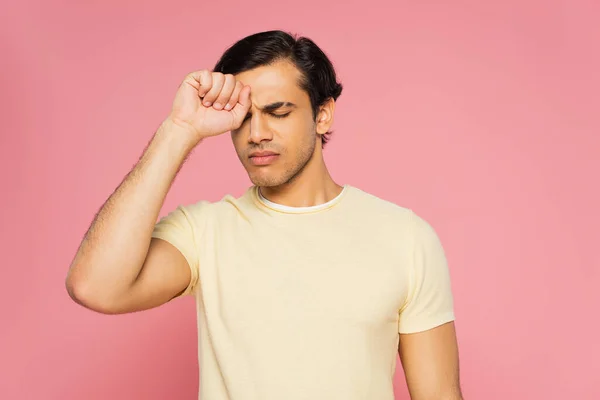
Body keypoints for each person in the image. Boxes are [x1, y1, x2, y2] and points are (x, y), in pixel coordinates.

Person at [65, 30, 463, 400]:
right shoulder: (206, 232)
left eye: (278, 112)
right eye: (243, 117)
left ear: (323, 115)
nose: (256, 133)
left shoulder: (405, 237)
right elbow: (95, 287)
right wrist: (179, 129)